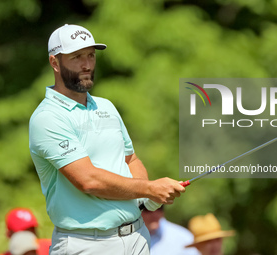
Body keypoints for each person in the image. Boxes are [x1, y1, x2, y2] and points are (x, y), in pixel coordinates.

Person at [29, 24, 185, 255]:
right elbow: (88, 180)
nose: (87, 64)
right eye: (77, 57)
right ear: (55, 63)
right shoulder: (47, 117)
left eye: (91, 55)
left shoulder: (106, 106)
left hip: (137, 238)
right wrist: (150, 188)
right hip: (87, 244)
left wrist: (144, 199)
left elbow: (131, 160)